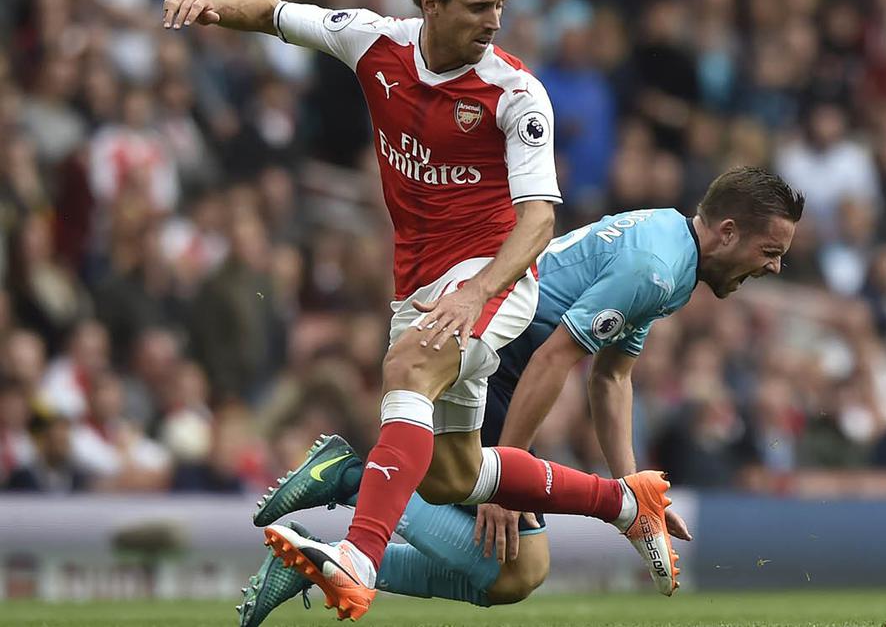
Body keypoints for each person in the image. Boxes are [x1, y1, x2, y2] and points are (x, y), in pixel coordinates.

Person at [162, 0, 676, 620]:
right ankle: (623, 501)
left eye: (499, 4)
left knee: (409, 370)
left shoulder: (514, 93)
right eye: (475, 6)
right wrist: (210, 3)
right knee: (450, 477)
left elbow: (537, 223)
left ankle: (355, 559)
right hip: (419, 284)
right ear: (429, 3)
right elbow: (272, 11)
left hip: (492, 283)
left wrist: (479, 290)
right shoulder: (374, 40)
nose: (492, 20)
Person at [237, 167, 804, 625]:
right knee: (515, 565)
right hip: (502, 360)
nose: (775, 266)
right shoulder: (657, 269)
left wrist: (636, 489)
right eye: (770, 250)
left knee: (514, 573)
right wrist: (504, 481)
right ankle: (350, 476)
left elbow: (612, 377)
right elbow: (553, 357)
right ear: (727, 232)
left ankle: (319, 555)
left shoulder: (669, 251)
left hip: (506, 358)